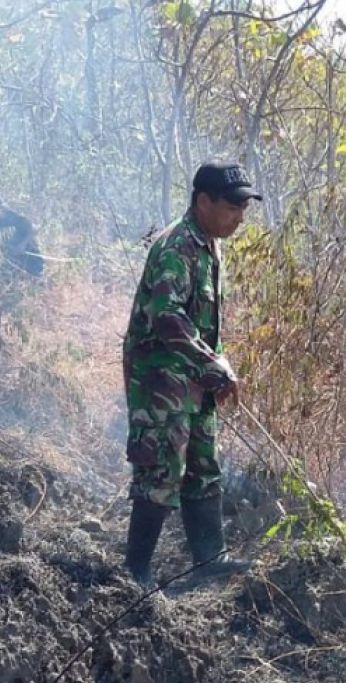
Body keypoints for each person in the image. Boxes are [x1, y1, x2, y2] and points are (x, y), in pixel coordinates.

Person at [121, 162, 262, 588]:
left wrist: (221, 366)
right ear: (204, 202)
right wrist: (210, 364)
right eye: (233, 206)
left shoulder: (210, 245)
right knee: (162, 469)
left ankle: (209, 559)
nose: (240, 216)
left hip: (193, 378)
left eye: (244, 206)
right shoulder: (176, 247)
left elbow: (203, 326)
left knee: (203, 465)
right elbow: (167, 319)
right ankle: (135, 574)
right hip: (160, 377)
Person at [0, 195, 44, 278]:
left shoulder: (10, 214)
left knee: (35, 275)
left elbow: (30, 226)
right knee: (4, 276)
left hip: (28, 249)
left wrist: (22, 245)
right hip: (11, 254)